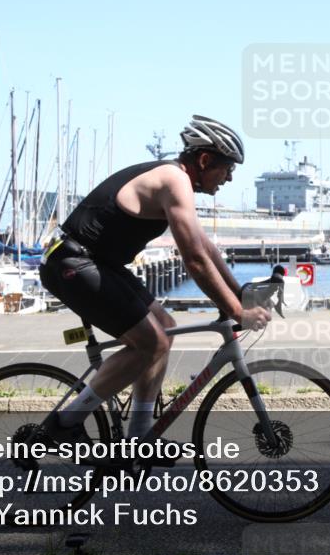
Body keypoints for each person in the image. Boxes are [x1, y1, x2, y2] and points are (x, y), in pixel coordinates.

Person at [38, 115, 271, 443]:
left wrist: (241, 292)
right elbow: (194, 261)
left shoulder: (177, 182)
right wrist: (236, 311)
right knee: (152, 341)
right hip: (73, 263)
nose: (229, 179)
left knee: (166, 328)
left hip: (97, 263)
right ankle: (64, 425)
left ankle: (140, 438)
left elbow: (205, 248)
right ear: (205, 160)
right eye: (227, 169)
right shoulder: (173, 181)